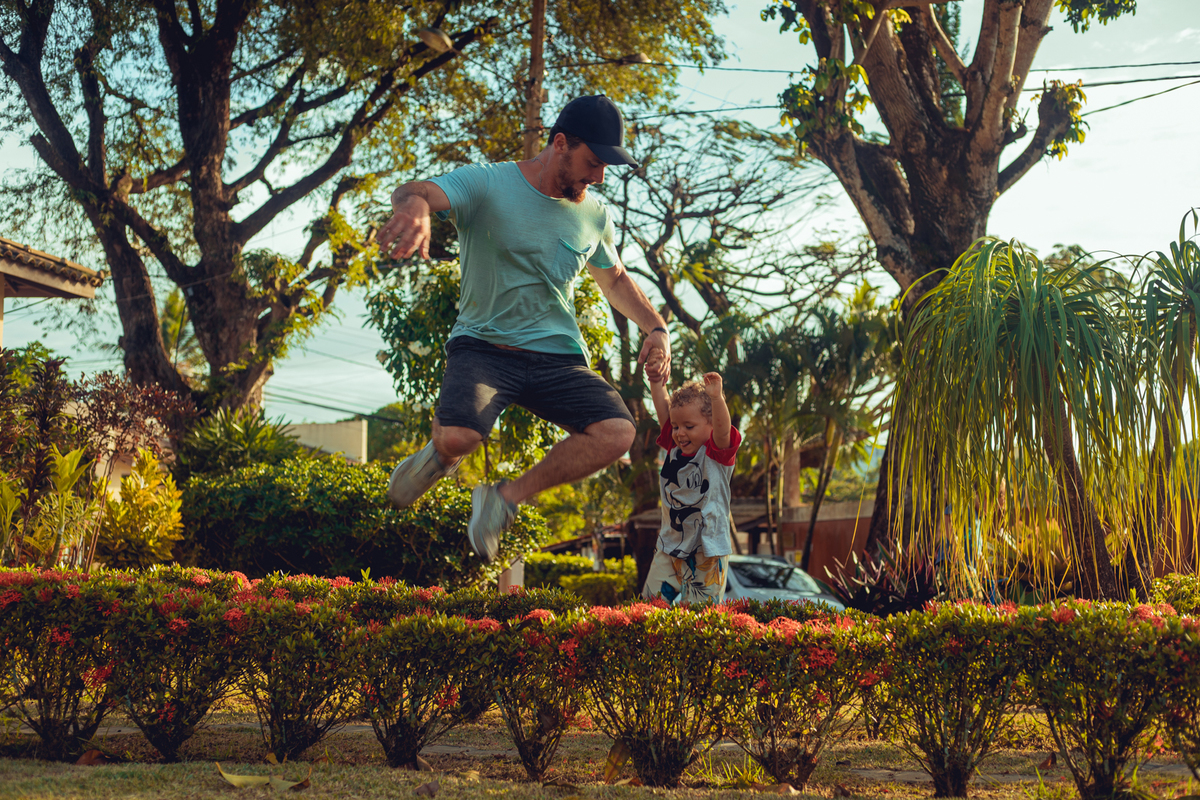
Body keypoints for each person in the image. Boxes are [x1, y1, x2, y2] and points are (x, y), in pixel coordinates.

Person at [374, 95, 671, 563]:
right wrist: (414, 208)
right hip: (483, 347)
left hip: (557, 358)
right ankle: (439, 456)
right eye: (593, 163)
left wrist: (656, 327)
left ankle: (503, 499)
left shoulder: (594, 215)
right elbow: (416, 190)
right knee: (458, 438)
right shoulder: (488, 183)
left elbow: (614, 278)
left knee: (617, 433)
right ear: (560, 144)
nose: (598, 177)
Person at [643, 364, 742, 604]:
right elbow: (663, 409)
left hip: (707, 552)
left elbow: (722, 429)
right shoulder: (674, 448)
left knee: (699, 618)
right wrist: (656, 380)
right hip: (670, 547)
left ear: (711, 425)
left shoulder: (717, 454)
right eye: (676, 427)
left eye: (689, 427)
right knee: (648, 609)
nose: (679, 433)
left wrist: (716, 398)